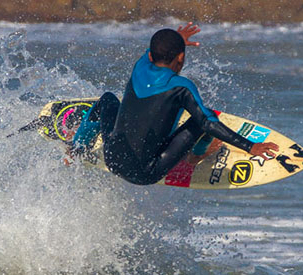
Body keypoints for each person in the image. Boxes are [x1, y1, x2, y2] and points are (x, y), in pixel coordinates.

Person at [69, 23, 279, 185]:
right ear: (181, 58)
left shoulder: (140, 66)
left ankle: (76, 148)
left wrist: (178, 39)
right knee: (203, 119)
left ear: (151, 55)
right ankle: (196, 156)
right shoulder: (181, 87)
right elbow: (208, 123)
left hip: (112, 159)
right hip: (145, 173)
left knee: (107, 99)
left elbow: (154, 50)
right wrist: (251, 146)